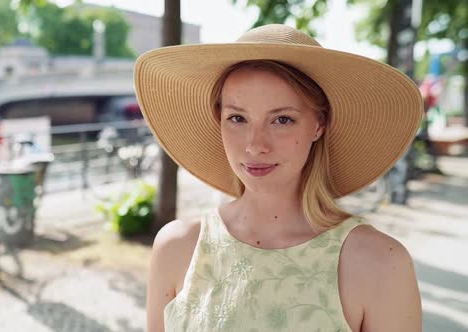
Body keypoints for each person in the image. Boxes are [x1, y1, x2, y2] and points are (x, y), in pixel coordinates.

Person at [135, 24, 423, 331]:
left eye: (282, 119)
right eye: (237, 118)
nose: (255, 145)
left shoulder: (380, 264)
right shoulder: (177, 249)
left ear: (318, 125)